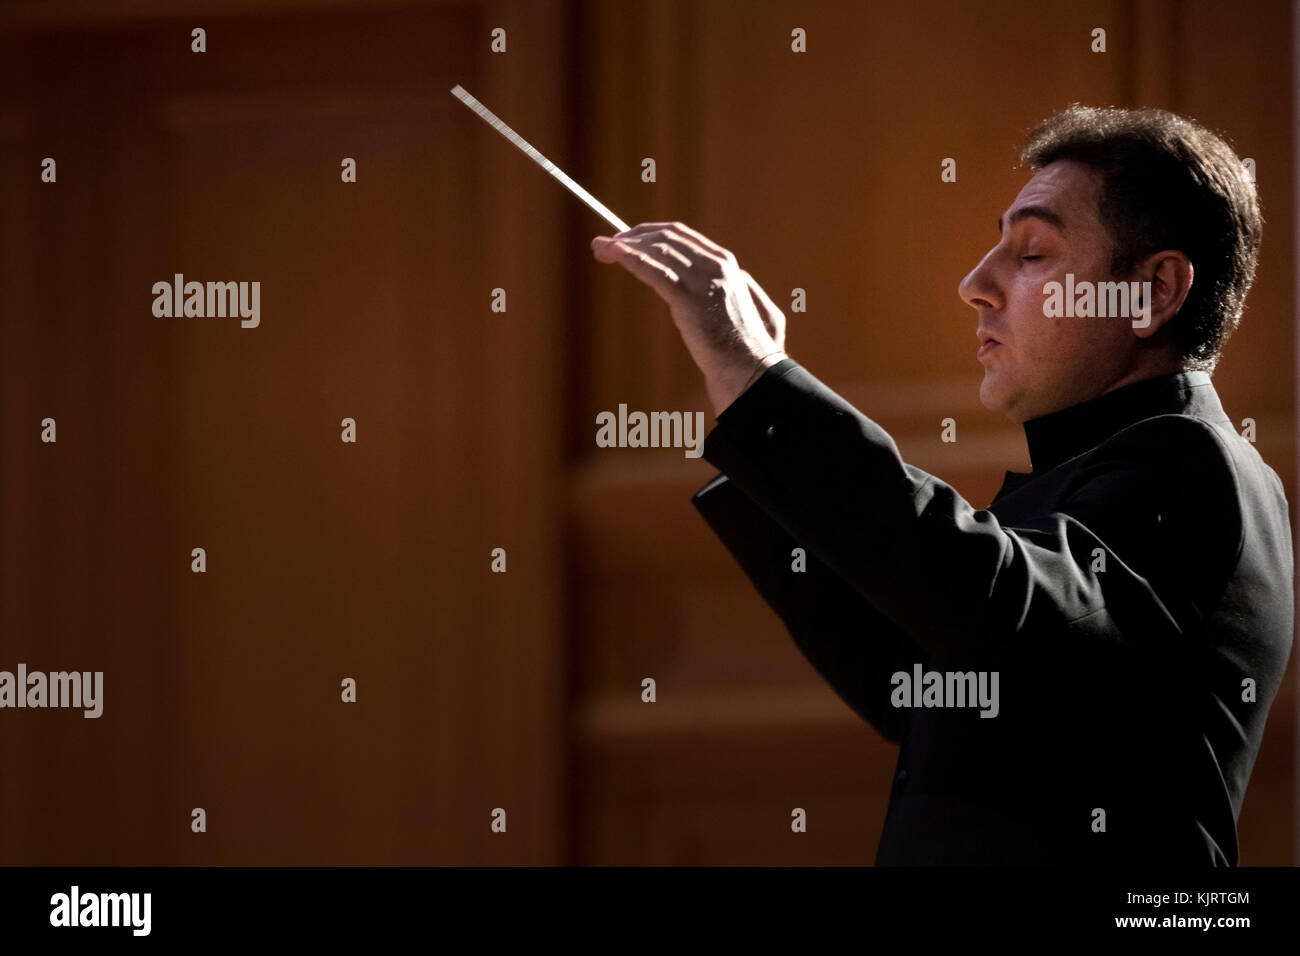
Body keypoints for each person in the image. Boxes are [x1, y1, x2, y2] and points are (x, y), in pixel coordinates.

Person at [589, 105, 1292, 865]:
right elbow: (918, 680)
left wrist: (765, 388)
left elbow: (999, 618)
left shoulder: (1191, 464)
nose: (974, 285)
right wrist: (749, 408)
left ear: (1152, 291)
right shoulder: (1100, 472)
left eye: (1031, 254)